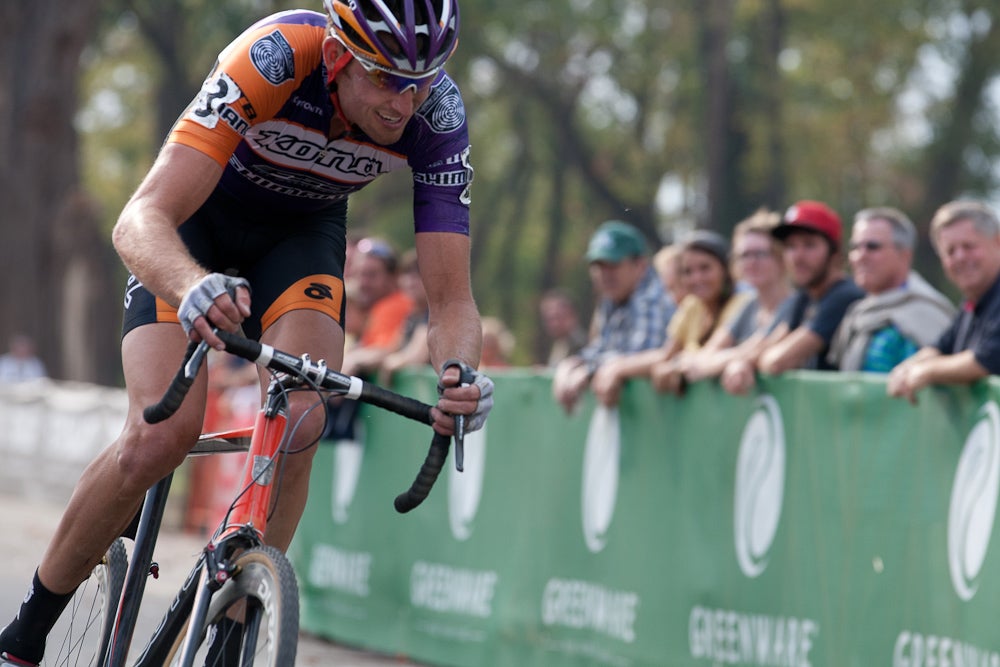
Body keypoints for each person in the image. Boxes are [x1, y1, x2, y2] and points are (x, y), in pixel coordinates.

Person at [0, 2, 495, 665]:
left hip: (299, 240)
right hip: (194, 224)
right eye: (385, 78)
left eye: (421, 82)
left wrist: (460, 373)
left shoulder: (439, 116)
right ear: (339, 56)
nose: (404, 103)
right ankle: (24, 637)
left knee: (302, 416)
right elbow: (140, 219)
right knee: (159, 436)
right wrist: (189, 284)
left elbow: (452, 300)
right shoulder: (276, 56)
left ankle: (233, 630)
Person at [720, 200, 864, 395]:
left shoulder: (844, 296)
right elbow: (768, 343)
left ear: (835, 252)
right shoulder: (804, 297)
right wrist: (741, 362)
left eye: (809, 245)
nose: (797, 256)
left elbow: (776, 361)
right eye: (790, 246)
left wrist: (748, 362)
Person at [593, 230, 751, 399]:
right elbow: (665, 355)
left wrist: (677, 365)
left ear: (725, 269)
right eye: (688, 272)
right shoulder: (692, 306)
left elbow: (710, 355)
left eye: (705, 268)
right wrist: (616, 367)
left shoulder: (743, 303)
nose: (696, 278)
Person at [552, 220, 675, 414]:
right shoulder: (612, 299)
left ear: (640, 265)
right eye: (598, 266)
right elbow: (604, 348)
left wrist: (588, 370)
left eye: (613, 265)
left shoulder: (651, 299)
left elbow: (640, 354)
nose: (604, 274)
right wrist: (571, 364)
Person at [888, 200, 1000, 403]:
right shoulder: (972, 302)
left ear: (997, 242)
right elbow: (940, 347)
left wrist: (926, 372)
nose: (960, 257)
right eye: (950, 251)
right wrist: (905, 369)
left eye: (969, 246)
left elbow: (987, 359)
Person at [828, 207, 955, 372]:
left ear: (905, 255)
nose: (860, 256)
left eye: (872, 247)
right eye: (855, 247)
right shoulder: (859, 313)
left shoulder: (926, 315)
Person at [679, 210, 793, 384]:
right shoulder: (749, 305)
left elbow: (759, 350)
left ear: (781, 257)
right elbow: (707, 353)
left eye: (760, 254)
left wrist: (718, 363)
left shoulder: (795, 307)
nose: (751, 262)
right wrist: (734, 358)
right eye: (744, 255)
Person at [538, 288, 587, 367]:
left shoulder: (581, 345)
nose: (554, 324)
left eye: (558, 317)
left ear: (573, 315)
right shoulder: (554, 342)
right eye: (549, 319)